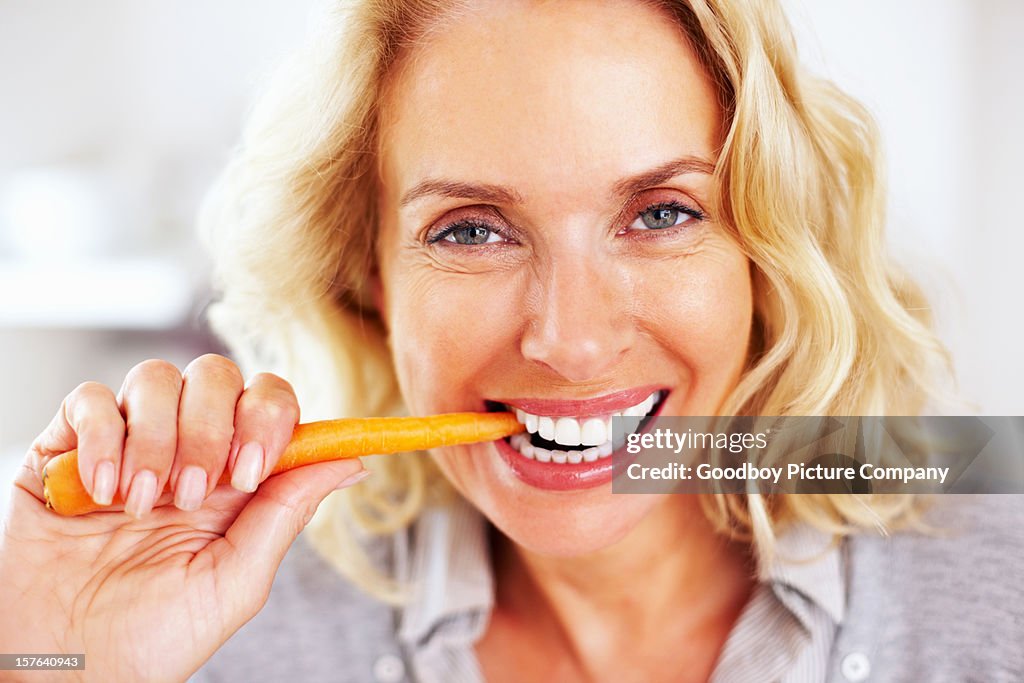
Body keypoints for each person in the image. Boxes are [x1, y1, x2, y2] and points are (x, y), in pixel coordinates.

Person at [2, 1, 1022, 681]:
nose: (572, 340)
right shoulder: (226, 622)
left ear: (768, 248)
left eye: (661, 213)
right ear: (367, 279)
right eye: (471, 231)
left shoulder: (999, 552)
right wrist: (51, 661)